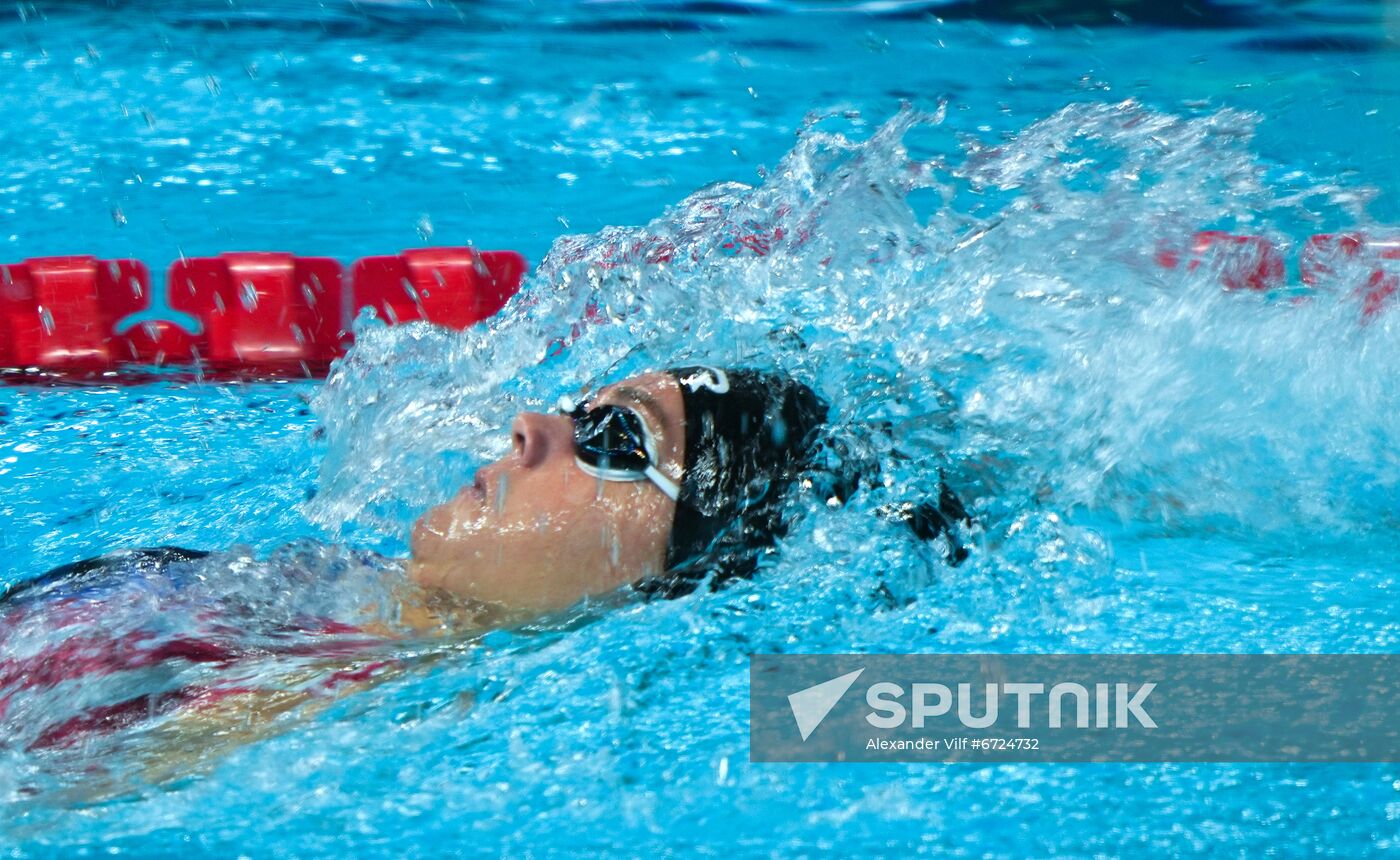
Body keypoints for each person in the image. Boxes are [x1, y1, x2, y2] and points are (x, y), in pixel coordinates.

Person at [0, 365, 970, 761]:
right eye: (577, 406)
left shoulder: (332, 701)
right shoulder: (332, 604)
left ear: (684, 585)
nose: (533, 425)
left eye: (613, 441)